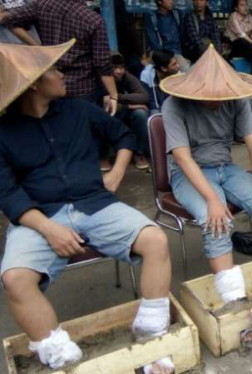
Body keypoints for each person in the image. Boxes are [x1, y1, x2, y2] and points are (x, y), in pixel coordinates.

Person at [0, 41, 173, 374]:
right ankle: (63, 358)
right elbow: (8, 194)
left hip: (95, 203)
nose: (62, 74)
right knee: (14, 278)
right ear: (35, 82)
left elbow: (123, 135)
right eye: (54, 69)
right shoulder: (4, 132)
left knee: (156, 240)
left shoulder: (79, 110)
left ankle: (151, 336)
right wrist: (49, 228)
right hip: (38, 215)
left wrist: (118, 172)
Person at [161, 46, 252, 308]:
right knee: (217, 220)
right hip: (188, 174)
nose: (216, 99)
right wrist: (212, 199)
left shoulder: (236, 99)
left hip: (226, 167)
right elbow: (181, 156)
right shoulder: (173, 105)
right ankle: (233, 300)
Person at [0, 0, 118, 116]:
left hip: (50, 86)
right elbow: (102, 63)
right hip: (83, 89)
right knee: (84, 129)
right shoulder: (93, 20)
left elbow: (7, 20)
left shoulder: (43, 5)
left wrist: (38, 48)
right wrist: (113, 95)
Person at [110, 53, 152, 170]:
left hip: (125, 109)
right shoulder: (104, 79)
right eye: (115, 68)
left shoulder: (127, 77)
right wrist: (129, 106)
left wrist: (119, 97)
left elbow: (144, 96)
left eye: (121, 68)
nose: (119, 71)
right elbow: (106, 105)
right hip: (114, 113)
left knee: (141, 114)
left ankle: (139, 153)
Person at [225, 0, 252, 79]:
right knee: (242, 41)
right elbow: (241, 34)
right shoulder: (233, 16)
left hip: (249, 47)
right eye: (242, 5)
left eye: (246, 5)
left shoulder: (250, 17)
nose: (245, 7)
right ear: (236, 8)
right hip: (236, 45)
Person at [144, 0, 190, 71]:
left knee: (187, 71)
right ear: (160, 2)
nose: (172, 1)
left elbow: (182, 37)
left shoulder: (177, 14)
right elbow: (154, 41)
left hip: (176, 53)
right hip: (160, 53)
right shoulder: (152, 17)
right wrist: (165, 58)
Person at [145, 49, 180, 114]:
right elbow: (150, 100)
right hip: (155, 109)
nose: (178, 66)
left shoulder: (178, 74)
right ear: (164, 68)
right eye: (174, 64)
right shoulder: (146, 76)